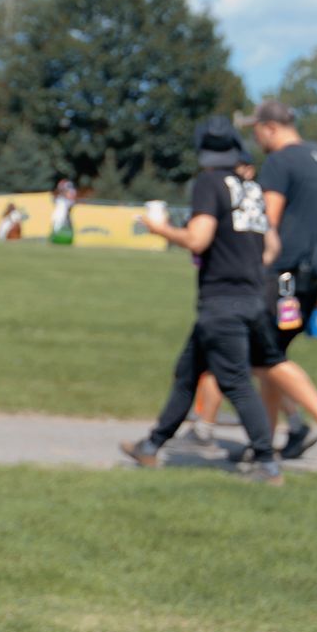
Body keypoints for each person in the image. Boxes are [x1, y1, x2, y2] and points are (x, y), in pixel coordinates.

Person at [121, 119, 281, 480]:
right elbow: (272, 248)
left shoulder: (208, 183)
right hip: (251, 297)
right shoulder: (251, 188)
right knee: (187, 373)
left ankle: (268, 464)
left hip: (221, 301)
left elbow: (198, 239)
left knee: (237, 383)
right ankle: (152, 446)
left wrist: (158, 228)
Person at [249, 99, 317, 466]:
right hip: (314, 273)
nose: (255, 138)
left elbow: (267, 222)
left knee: (262, 356)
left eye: (255, 129)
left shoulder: (279, 162)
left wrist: (254, 266)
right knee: (272, 356)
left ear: (269, 127)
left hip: (282, 274)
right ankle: (265, 444)